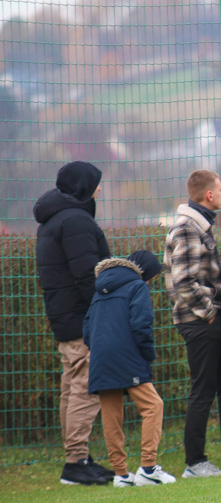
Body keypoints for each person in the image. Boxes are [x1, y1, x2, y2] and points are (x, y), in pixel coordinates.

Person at [34, 161, 113, 486]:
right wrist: (106, 307)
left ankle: (78, 456)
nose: (99, 188)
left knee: (72, 387)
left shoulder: (55, 219)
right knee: (86, 388)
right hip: (82, 319)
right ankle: (76, 462)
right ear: (84, 186)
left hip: (65, 317)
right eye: (96, 182)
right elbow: (87, 275)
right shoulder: (76, 221)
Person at [164, 170, 221, 478]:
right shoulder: (186, 228)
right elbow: (184, 279)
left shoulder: (198, 225)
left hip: (210, 319)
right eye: (220, 190)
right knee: (203, 389)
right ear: (208, 195)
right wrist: (209, 311)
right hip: (200, 322)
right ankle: (195, 463)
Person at [83, 251, 176, 487]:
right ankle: (148, 467)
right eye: (151, 278)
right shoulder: (137, 286)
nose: (149, 283)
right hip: (127, 354)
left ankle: (121, 474)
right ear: (144, 273)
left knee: (111, 416)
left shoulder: (99, 290)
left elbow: (86, 328)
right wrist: (147, 355)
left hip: (100, 357)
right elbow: (141, 324)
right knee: (153, 406)